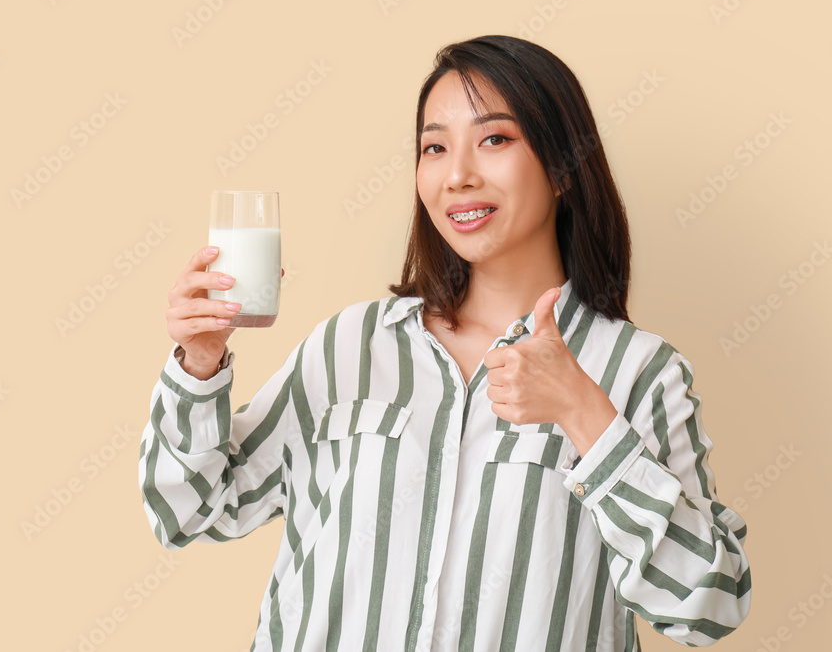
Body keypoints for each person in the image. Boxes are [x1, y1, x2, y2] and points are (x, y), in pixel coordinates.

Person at [138, 35, 751, 651]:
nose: (457, 176)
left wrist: (584, 414)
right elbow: (188, 512)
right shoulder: (349, 345)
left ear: (563, 166)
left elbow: (707, 607)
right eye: (435, 147)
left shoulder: (638, 372)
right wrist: (200, 364)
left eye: (495, 139)